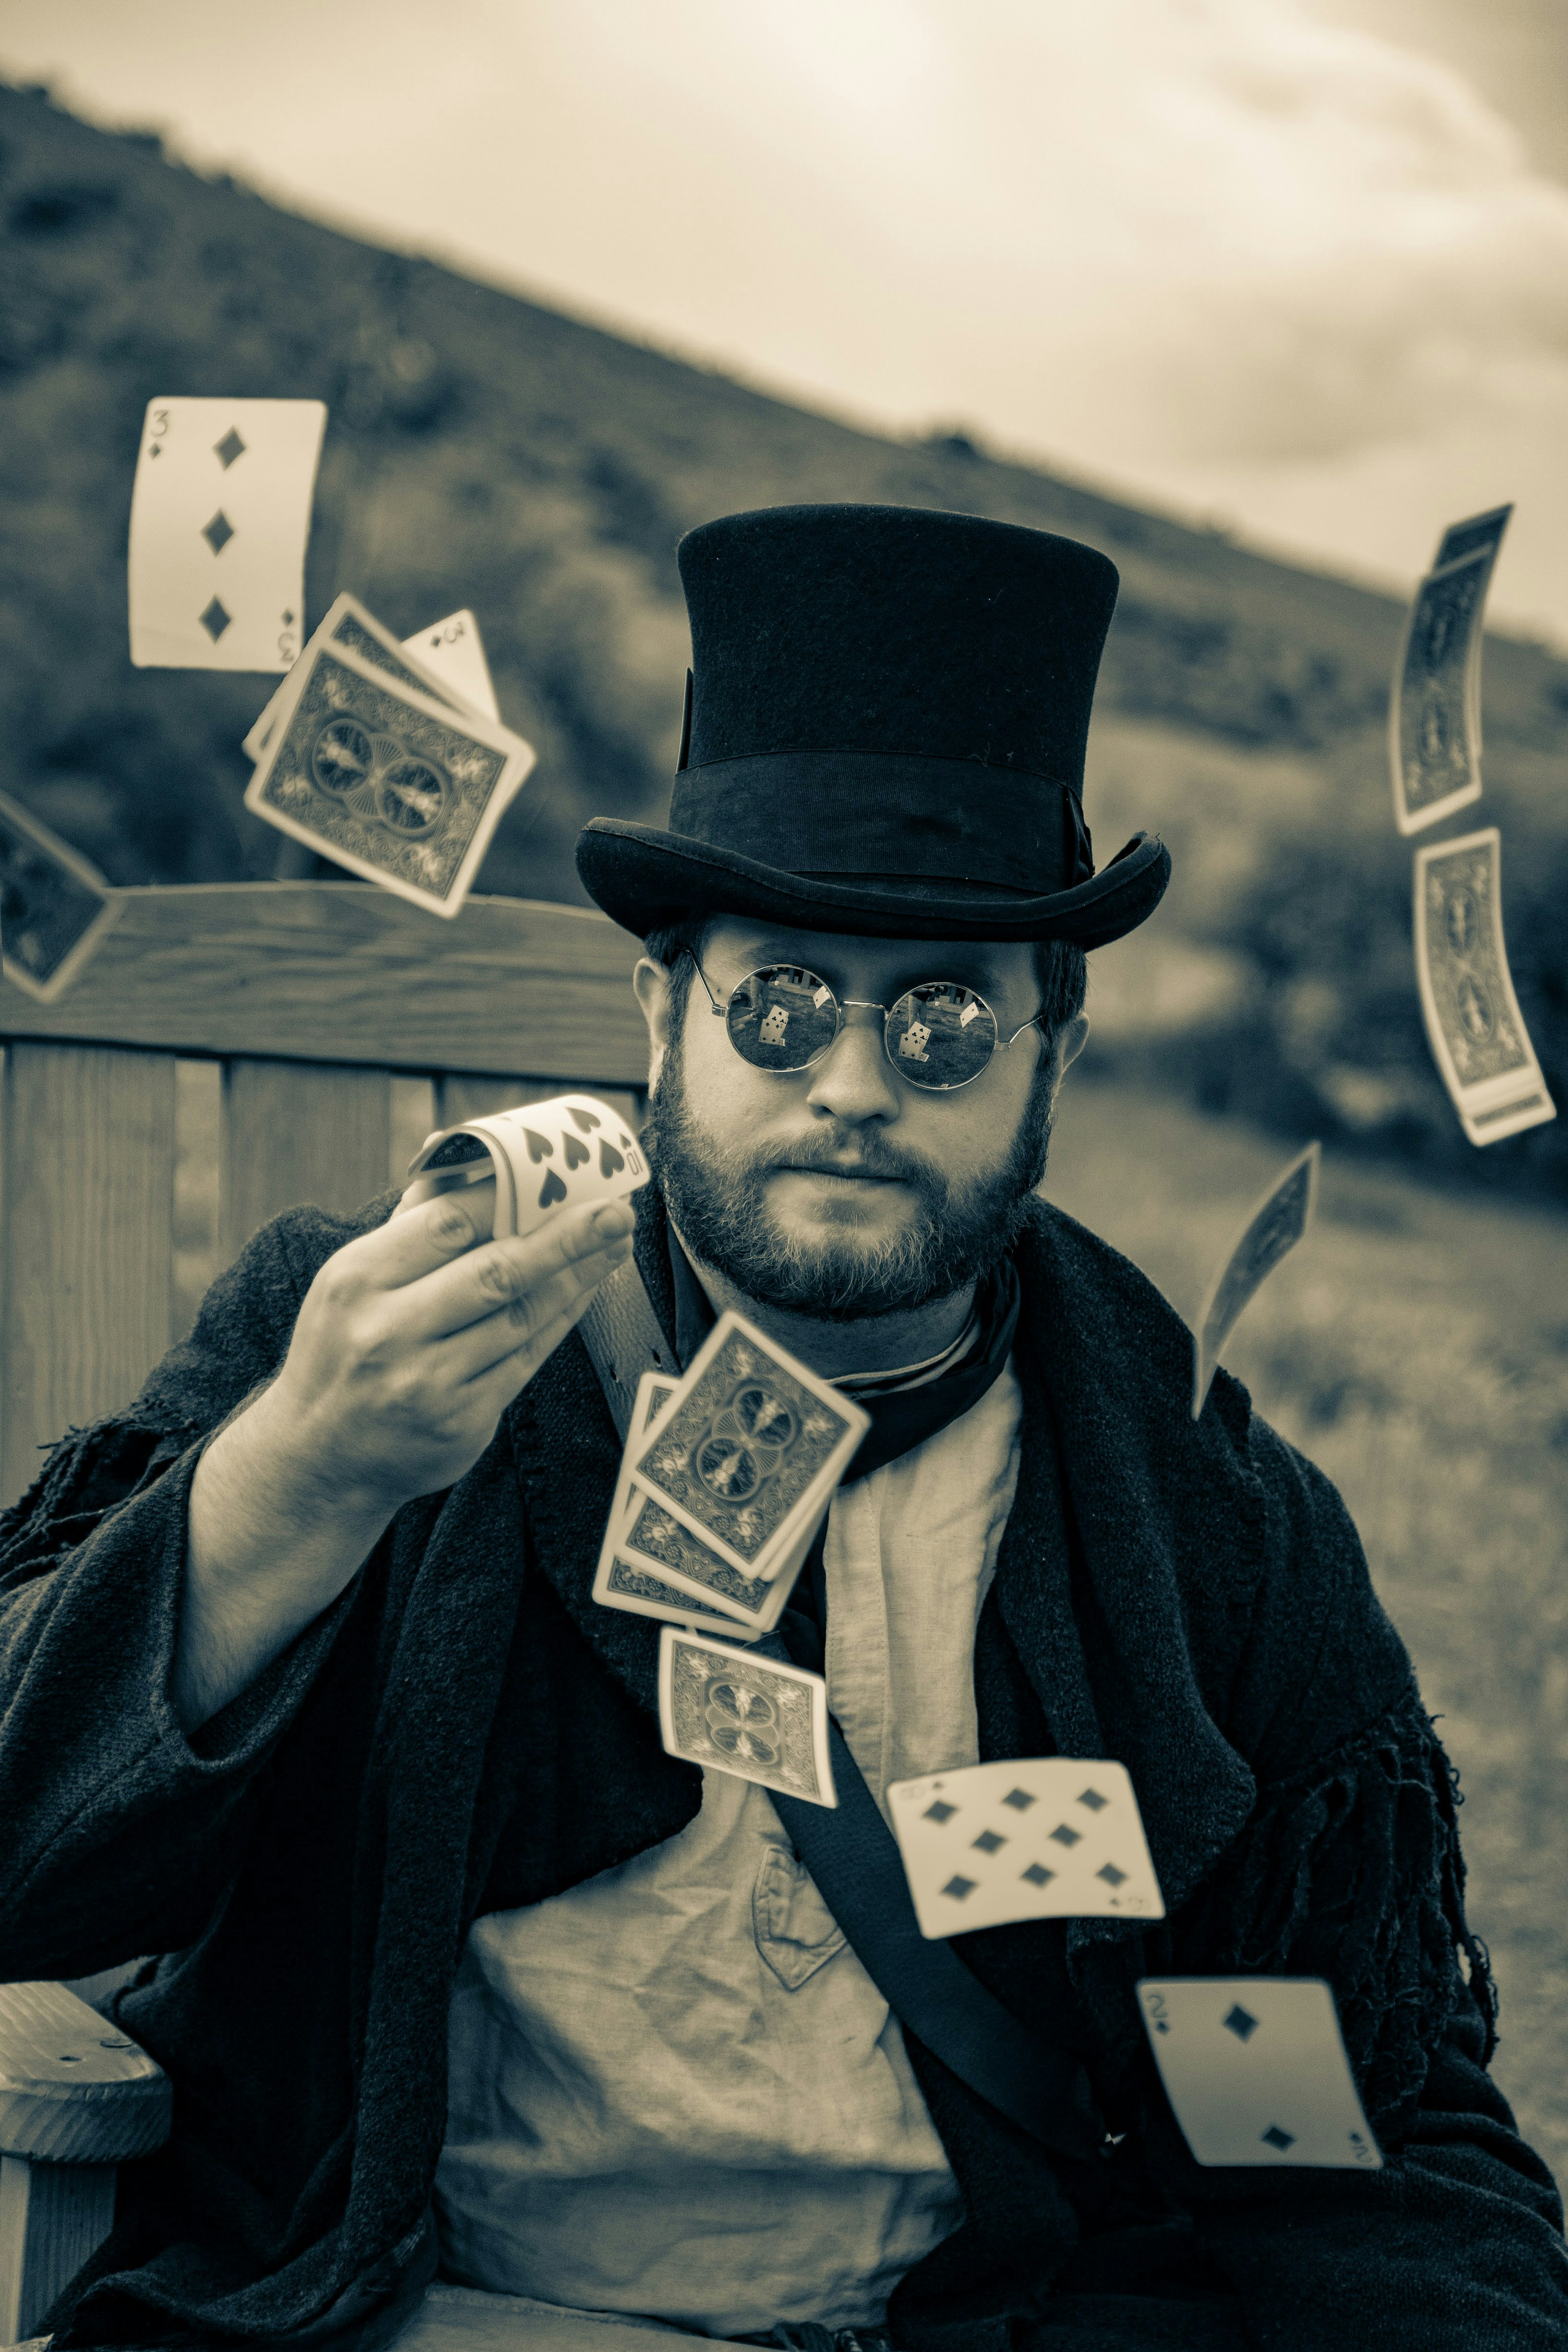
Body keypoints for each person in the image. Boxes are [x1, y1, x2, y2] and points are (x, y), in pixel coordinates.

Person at [2, 505, 1565, 2352]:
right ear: (654, 1010)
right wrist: (300, 1481)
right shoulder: (357, 1342)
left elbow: (1343, 2115)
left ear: (1052, 1048)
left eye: (941, 1024)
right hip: (418, 2308)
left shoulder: (1209, 1518)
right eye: (780, 1003)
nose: (846, 1084)